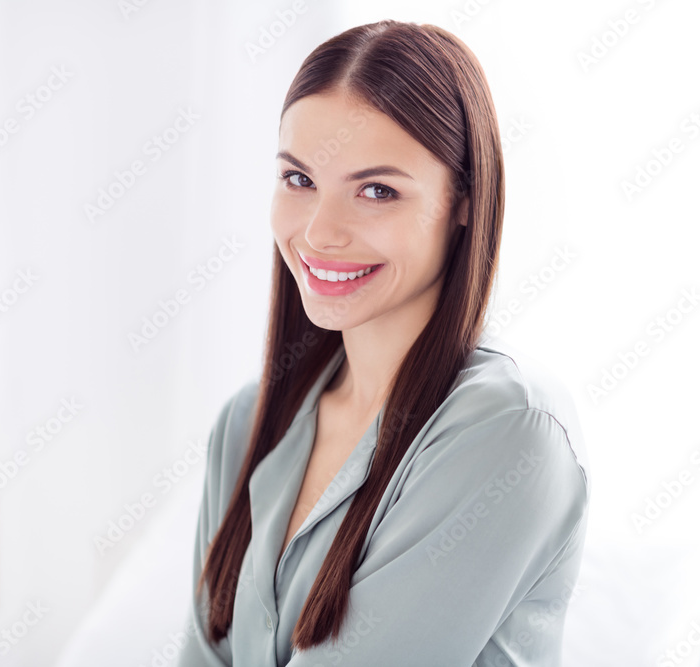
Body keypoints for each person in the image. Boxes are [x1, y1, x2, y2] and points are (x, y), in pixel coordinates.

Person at [175, 19, 590, 666]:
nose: (319, 233)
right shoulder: (246, 423)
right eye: (299, 180)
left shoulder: (509, 428)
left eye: (377, 191)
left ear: (464, 200)